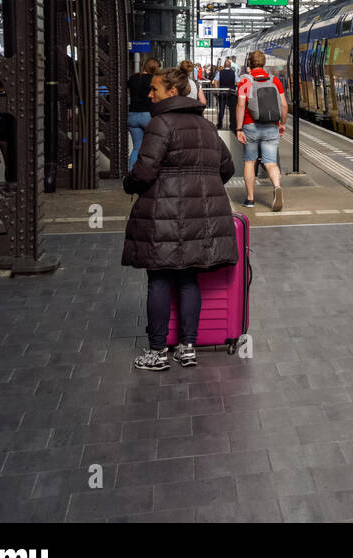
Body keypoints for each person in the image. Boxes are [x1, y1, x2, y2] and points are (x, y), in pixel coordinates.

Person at [122, 66, 237, 372]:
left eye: (154, 89)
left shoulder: (161, 124)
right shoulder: (206, 126)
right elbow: (227, 168)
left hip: (164, 216)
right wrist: (202, 187)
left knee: (159, 279)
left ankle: (158, 352)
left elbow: (144, 171)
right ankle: (187, 348)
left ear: (171, 92)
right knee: (188, 279)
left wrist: (128, 184)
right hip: (201, 218)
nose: (149, 94)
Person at [236, 50, 286, 210]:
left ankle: (250, 199)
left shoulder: (245, 81)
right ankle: (277, 187)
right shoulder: (274, 80)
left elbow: (241, 105)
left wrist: (238, 128)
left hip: (251, 126)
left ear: (249, 64)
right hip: (271, 126)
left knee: (250, 162)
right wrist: (282, 124)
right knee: (271, 162)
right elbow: (284, 105)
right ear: (264, 63)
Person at [127, 57, 159, 168]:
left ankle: (131, 175)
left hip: (132, 115)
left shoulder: (132, 78)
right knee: (154, 147)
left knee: (137, 148)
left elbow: (130, 94)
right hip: (147, 115)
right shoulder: (154, 80)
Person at [216, 57, 237, 131]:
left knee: (221, 109)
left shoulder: (220, 72)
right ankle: (232, 126)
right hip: (231, 94)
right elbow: (237, 82)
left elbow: (215, 81)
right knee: (232, 110)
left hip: (222, 93)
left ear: (224, 65)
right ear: (230, 65)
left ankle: (219, 125)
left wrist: (217, 90)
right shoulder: (234, 73)